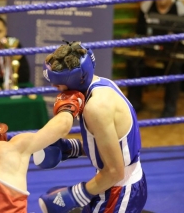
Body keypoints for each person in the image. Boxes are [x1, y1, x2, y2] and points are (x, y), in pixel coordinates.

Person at [35, 41, 147, 212]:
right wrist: (72, 148)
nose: (54, 87)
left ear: (75, 79)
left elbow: (115, 171)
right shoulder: (101, 84)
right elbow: (110, 147)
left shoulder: (96, 107)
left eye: (58, 83)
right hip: (117, 183)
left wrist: (72, 196)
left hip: (119, 190)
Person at [126, 0, 184, 118]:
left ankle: (169, 109)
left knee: (175, 67)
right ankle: (135, 104)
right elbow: (139, 31)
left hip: (171, 51)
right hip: (148, 49)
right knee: (133, 62)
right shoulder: (146, 6)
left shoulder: (180, 8)